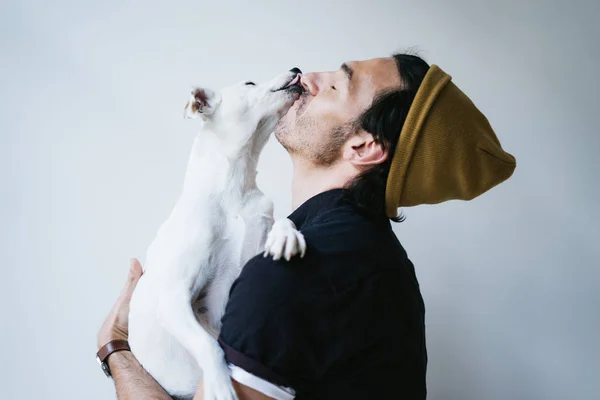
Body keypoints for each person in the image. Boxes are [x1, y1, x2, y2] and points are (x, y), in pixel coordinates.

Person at [97, 54, 516, 399]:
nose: (308, 78)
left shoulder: (294, 273)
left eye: (337, 85)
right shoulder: (359, 251)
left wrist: (117, 349)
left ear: (364, 147)